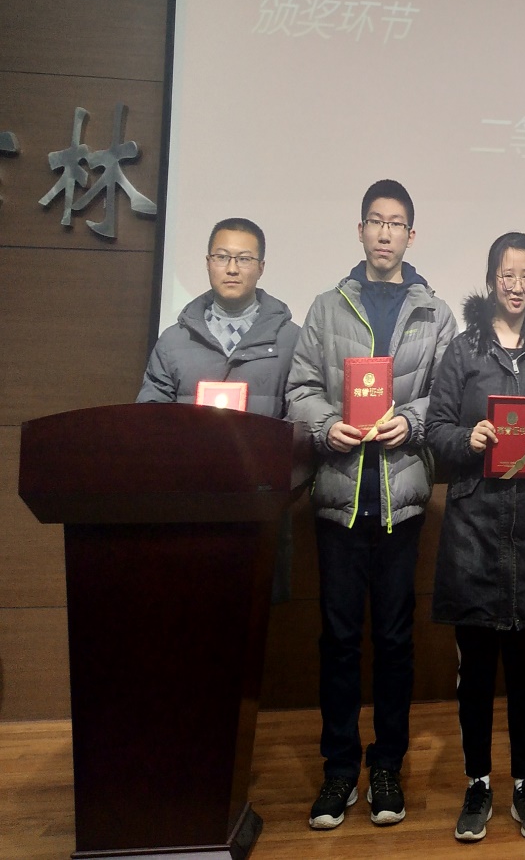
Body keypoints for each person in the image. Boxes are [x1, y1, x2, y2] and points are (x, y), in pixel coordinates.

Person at [285, 180, 457, 830]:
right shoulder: (328, 307)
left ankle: (386, 765)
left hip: (400, 498)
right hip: (338, 495)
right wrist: (325, 424)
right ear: (360, 230)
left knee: (393, 639)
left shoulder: (434, 313)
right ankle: (338, 770)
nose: (386, 233)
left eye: (396, 223)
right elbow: (300, 387)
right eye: (376, 222)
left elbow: (447, 397)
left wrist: (411, 422)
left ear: (412, 235)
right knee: (338, 639)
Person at [424, 232, 525, 845]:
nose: (517, 287)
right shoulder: (464, 350)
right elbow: (435, 428)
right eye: (507, 275)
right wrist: (468, 439)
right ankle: (477, 783)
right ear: (491, 279)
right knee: (475, 671)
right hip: (474, 525)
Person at [138, 216, 300, 601]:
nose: (231, 268)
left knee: (253, 621)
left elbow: (301, 419)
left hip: (260, 508)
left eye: (244, 259)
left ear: (261, 267)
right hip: (190, 505)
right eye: (222, 256)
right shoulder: (174, 341)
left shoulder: (292, 340)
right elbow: (149, 421)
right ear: (208, 262)